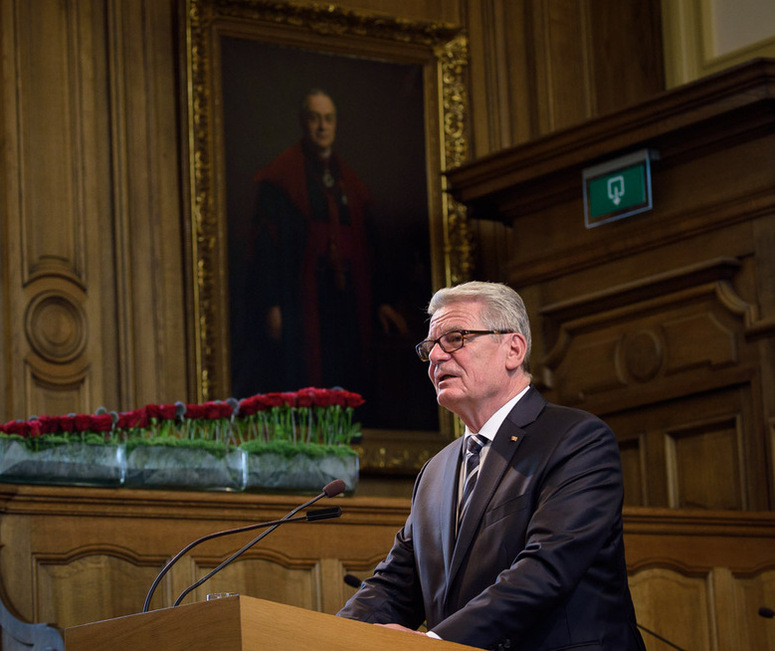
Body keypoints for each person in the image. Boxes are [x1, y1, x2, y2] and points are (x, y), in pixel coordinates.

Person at [337, 281, 646, 650]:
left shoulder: (577, 440)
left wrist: (437, 643)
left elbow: (546, 569)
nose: (435, 357)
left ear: (513, 349)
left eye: (454, 338)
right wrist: (328, 638)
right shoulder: (436, 471)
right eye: (430, 347)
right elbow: (395, 584)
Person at [238, 89, 406, 397]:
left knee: (347, 368)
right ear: (304, 122)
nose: (322, 126)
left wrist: (381, 299)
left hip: (346, 298)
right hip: (300, 297)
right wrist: (272, 303)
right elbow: (266, 247)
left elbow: (370, 246)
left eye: (328, 119)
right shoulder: (280, 178)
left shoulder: (349, 181)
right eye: (315, 119)